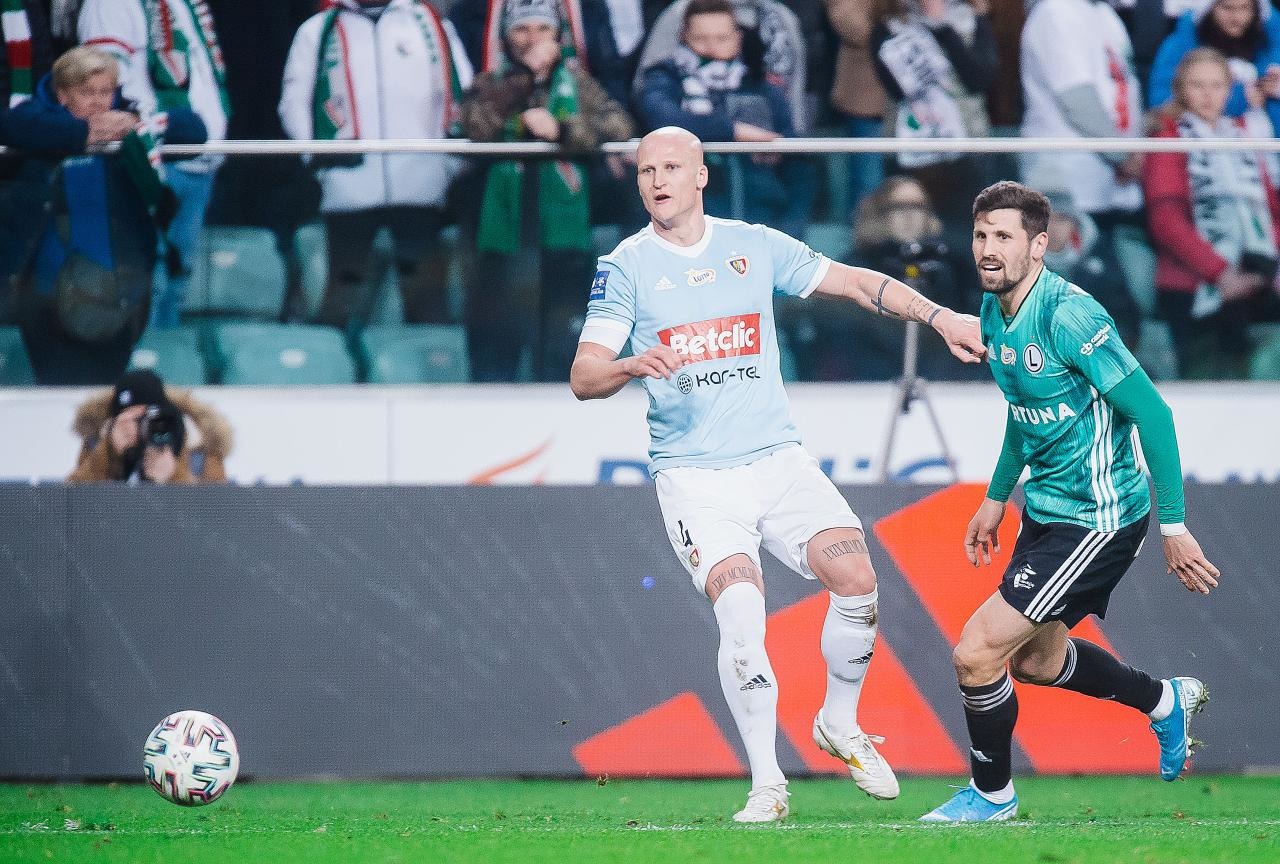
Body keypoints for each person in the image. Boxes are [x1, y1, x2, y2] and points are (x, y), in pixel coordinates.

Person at [569, 126, 988, 822]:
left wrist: (940, 316)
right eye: (646, 170)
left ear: (701, 176)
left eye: (671, 167)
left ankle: (839, 722)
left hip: (777, 459)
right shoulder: (627, 266)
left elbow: (854, 282)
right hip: (697, 478)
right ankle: (768, 784)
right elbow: (585, 376)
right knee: (741, 610)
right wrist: (629, 364)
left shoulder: (752, 245)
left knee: (856, 577)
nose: (658, 180)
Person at [919, 181, 1220, 823]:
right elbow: (1023, 411)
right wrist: (996, 497)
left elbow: (1153, 414)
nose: (988, 249)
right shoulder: (994, 309)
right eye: (981, 235)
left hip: (1099, 519)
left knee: (976, 653)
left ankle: (992, 795)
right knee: (1037, 661)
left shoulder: (1070, 317)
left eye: (1004, 237)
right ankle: (1164, 701)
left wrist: (1174, 526)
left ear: (1038, 245)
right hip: (1048, 511)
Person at [2, 46, 205, 386]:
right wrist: (83, 133)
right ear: (63, 94)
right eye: (87, 93)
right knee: (56, 389)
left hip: (120, 290)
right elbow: (12, 125)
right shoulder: (35, 119)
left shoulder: (130, 124)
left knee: (105, 391)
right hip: (45, 292)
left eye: (106, 91)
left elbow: (194, 130)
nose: (99, 102)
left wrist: (134, 125)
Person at [461, 0, 634, 382]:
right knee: (500, 329)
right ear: (506, 36)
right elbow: (475, 124)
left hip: (563, 232)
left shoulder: (578, 82)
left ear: (558, 35)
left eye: (542, 28)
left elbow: (618, 124)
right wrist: (523, 79)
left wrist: (563, 131)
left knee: (562, 329)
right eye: (521, 29)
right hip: (502, 232)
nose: (532, 38)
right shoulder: (491, 82)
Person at [279, 0, 473, 334]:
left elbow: (463, 98)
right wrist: (322, 166)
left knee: (427, 305)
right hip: (349, 189)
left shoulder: (431, 25)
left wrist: (445, 168)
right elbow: (294, 104)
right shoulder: (318, 30)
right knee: (341, 304)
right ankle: (334, 366)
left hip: (421, 190)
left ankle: (430, 367)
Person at [79, 0, 231, 331]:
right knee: (145, 280)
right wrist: (149, 126)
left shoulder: (185, 4)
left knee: (176, 282)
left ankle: (165, 357)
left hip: (199, 164)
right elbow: (99, 89)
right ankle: (137, 360)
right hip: (149, 163)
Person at [1145, 47, 1280, 379]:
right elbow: (1166, 221)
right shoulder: (1167, 138)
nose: (1208, 95)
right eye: (1197, 85)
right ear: (1181, 89)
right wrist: (1221, 274)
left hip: (1256, 278)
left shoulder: (1242, 136)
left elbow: (1269, 209)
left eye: (1217, 85)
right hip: (1193, 286)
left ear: (1229, 89)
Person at [637, 0, 814, 238]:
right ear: (683, 37)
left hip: (761, 224)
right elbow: (662, 119)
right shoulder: (663, 78)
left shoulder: (761, 86)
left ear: (737, 39)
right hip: (683, 227)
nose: (711, 48)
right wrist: (735, 131)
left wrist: (790, 234)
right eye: (700, 39)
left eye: (721, 39)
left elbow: (795, 156)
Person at [1020, 0, 1144, 251]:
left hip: (1111, 183)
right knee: (1065, 273)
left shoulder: (1105, 13)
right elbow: (1076, 99)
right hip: (1067, 180)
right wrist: (1124, 156)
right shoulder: (1054, 12)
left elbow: (1125, 89)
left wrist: (1132, 151)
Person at [67, 369, 233, 484]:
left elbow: (218, 515)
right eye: (131, 420)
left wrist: (175, 476)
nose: (140, 426)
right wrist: (109, 454)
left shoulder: (199, 451)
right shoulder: (98, 444)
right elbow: (72, 507)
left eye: (147, 418)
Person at [1149, 0, 1280, 138]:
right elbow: (1162, 103)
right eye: (1227, 8)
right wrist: (1239, 99)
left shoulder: (1271, 45)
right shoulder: (1180, 46)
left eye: (1245, 8)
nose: (1237, 17)